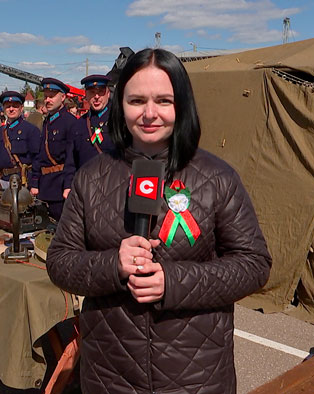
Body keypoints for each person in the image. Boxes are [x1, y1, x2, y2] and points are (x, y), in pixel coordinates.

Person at [45, 49, 272, 394]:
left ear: (181, 104)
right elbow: (60, 262)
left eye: (163, 100)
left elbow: (254, 264)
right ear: (121, 104)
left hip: (196, 375)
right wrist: (113, 265)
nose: (150, 113)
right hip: (110, 374)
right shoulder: (92, 177)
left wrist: (174, 281)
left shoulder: (217, 176)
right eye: (137, 100)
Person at [29, 77, 77, 220]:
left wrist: (68, 185)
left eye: (52, 96)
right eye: (45, 96)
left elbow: (72, 158)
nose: (48, 100)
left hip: (60, 186)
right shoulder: (47, 121)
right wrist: (34, 182)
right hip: (45, 187)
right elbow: (40, 154)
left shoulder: (70, 122)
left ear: (63, 97)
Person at [0, 91, 40, 196]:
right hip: (2, 182)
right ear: (3, 108)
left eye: (15, 106)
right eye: (8, 106)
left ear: (21, 108)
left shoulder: (31, 130)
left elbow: (37, 159)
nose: (11, 109)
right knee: (3, 211)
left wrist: (35, 184)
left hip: (24, 182)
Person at [71, 74, 116, 170]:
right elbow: (71, 161)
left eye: (101, 92)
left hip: (112, 181)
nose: (96, 96)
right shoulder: (79, 124)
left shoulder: (118, 120)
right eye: (92, 92)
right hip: (85, 182)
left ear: (108, 94)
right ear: (86, 95)